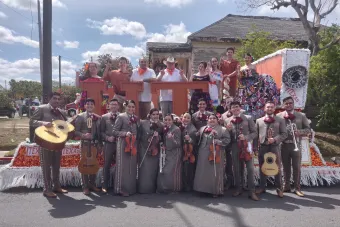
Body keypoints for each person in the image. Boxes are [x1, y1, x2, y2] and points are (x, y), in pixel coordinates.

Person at [29, 92, 68, 198]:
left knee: (56, 165)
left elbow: (65, 126)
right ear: (49, 99)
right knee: (46, 166)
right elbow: (32, 121)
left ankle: (56, 186)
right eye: (54, 98)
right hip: (45, 142)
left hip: (58, 142)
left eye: (58, 99)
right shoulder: (41, 108)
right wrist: (43, 123)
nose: (57, 101)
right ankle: (47, 189)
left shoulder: (61, 111)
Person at [277, 96, 311, 197]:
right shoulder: (278, 116)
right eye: (286, 103)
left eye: (290, 103)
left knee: (296, 167)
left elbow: (308, 129)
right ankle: (286, 186)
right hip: (283, 145)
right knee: (285, 167)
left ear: (293, 104)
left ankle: (297, 188)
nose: (288, 105)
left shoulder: (301, 115)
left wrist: (299, 132)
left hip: (296, 144)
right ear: (283, 105)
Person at [225, 101, 259, 201]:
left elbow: (255, 133)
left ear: (240, 108)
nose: (235, 109)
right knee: (236, 168)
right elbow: (227, 136)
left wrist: (246, 137)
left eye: (237, 107)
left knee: (250, 169)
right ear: (230, 109)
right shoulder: (227, 120)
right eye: (233, 107)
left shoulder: (248, 118)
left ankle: (252, 191)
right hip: (235, 146)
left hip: (246, 145)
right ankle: (238, 188)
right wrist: (228, 130)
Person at [255, 101, 288, 198]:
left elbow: (284, 134)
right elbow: (256, 135)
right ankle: (262, 187)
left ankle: (279, 188)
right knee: (262, 167)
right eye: (268, 107)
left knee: (277, 167)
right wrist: (254, 148)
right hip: (263, 146)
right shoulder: (259, 121)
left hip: (274, 146)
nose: (269, 109)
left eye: (271, 107)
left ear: (274, 109)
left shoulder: (280, 120)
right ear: (264, 108)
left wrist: (274, 139)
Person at [193, 114, 230, 197]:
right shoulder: (203, 128)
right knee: (202, 171)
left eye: (214, 118)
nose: (212, 120)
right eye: (210, 118)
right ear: (207, 120)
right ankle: (202, 189)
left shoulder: (223, 129)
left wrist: (219, 141)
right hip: (203, 152)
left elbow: (227, 140)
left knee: (215, 172)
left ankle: (215, 191)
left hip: (215, 153)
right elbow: (198, 138)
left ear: (217, 120)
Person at [236, 53, 280, 120]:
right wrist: (238, 70)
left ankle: (255, 115)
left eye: (248, 57)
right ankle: (246, 114)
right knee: (246, 101)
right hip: (245, 86)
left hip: (252, 85)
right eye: (246, 58)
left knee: (254, 100)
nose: (247, 59)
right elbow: (239, 79)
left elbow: (256, 76)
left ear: (250, 58)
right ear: (244, 59)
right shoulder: (242, 68)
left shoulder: (253, 66)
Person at [75, 98, 102, 195]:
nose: (90, 105)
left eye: (91, 104)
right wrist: (83, 135)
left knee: (93, 163)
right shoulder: (80, 116)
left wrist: (99, 144)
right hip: (85, 144)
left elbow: (99, 132)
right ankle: (85, 186)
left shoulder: (98, 117)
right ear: (85, 106)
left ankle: (92, 184)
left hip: (94, 144)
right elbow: (75, 131)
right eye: (88, 104)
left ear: (94, 106)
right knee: (84, 164)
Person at [112, 100, 139, 196]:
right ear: (125, 107)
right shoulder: (121, 116)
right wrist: (124, 133)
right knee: (122, 166)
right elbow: (114, 131)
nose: (131, 109)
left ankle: (130, 188)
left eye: (133, 107)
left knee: (131, 166)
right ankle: (119, 189)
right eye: (129, 107)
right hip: (123, 143)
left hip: (133, 143)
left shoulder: (135, 118)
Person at [138, 108, 163, 194]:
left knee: (154, 170)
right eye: (154, 114)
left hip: (155, 150)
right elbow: (139, 135)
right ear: (150, 115)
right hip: (144, 148)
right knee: (145, 170)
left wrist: (158, 137)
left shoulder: (161, 125)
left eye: (157, 114)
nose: (155, 116)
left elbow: (163, 138)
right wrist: (147, 139)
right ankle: (143, 189)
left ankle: (153, 188)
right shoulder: (143, 123)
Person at [157, 114, 182, 193]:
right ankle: (165, 188)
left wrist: (172, 139)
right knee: (165, 171)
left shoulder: (176, 129)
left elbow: (178, 143)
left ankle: (174, 188)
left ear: (172, 120)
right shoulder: (165, 129)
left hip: (175, 153)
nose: (167, 121)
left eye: (169, 120)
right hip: (167, 152)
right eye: (166, 120)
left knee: (171, 171)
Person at [100, 98, 120, 193]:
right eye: (112, 104)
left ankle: (119, 184)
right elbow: (101, 132)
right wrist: (107, 138)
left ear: (118, 106)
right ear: (109, 106)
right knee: (106, 164)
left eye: (115, 104)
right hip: (108, 144)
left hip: (120, 144)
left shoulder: (122, 116)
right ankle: (104, 185)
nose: (113, 106)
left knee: (120, 164)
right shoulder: (104, 117)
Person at [180, 112, 197, 192]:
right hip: (180, 150)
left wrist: (189, 140)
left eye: (188, 118)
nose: (186, 119)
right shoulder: (180, 126)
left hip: (189, 151)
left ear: (190, 120)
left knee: (188, 169)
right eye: (184, 117)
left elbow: (195, 142)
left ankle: (188, 185)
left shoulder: (193, 130)